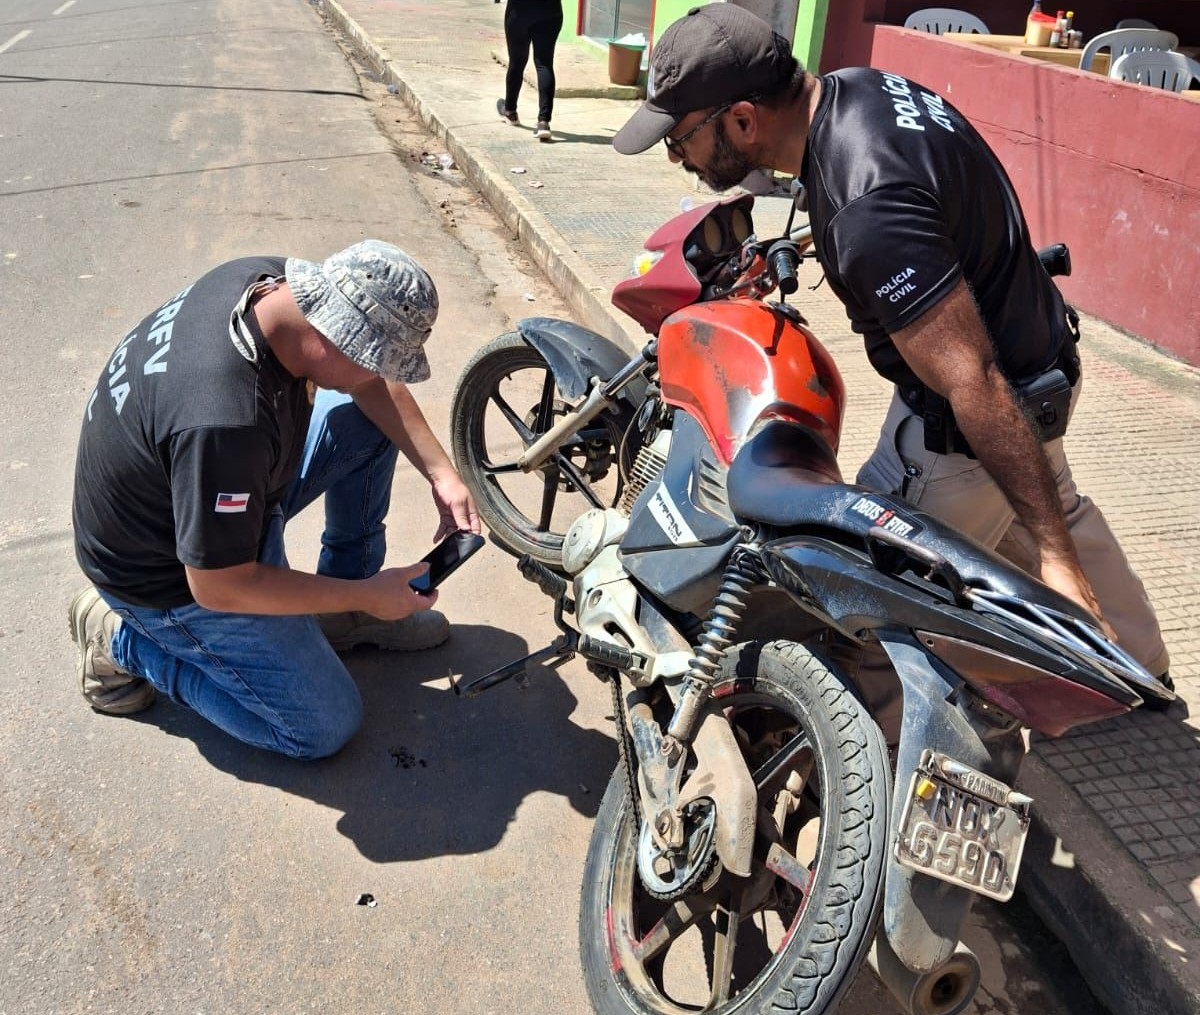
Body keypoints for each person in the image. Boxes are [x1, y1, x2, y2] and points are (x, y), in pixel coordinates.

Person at [613, 5, 1172, 694]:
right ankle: (1144, 669)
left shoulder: (866, 207)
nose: (676, 156)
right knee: (1051, 501)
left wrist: (1057, 562)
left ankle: (883, 728)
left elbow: (972, 380)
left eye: (680, 138)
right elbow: (916, 207)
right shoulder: (857, 90)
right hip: (1046, 363)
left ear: (744, 121)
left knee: (859, 588)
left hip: (968, 425)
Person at [69, 239, 482, 759]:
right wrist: (366, 594)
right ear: (335, 338)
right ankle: (120, 639)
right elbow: (220, 586)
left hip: (219, 496)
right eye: (376, 362)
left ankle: (343, 612)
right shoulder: (225, 421)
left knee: (369, 424)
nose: (382, 375)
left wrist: (442, 474)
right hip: (168, 577)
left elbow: (369, 385)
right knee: (321, 726)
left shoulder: (273, 285)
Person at [496, 0, 563, 141]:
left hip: (519, 11)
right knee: (544, 64)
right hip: (550, 10)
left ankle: (510, 111)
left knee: (517, 62)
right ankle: (543, 122)